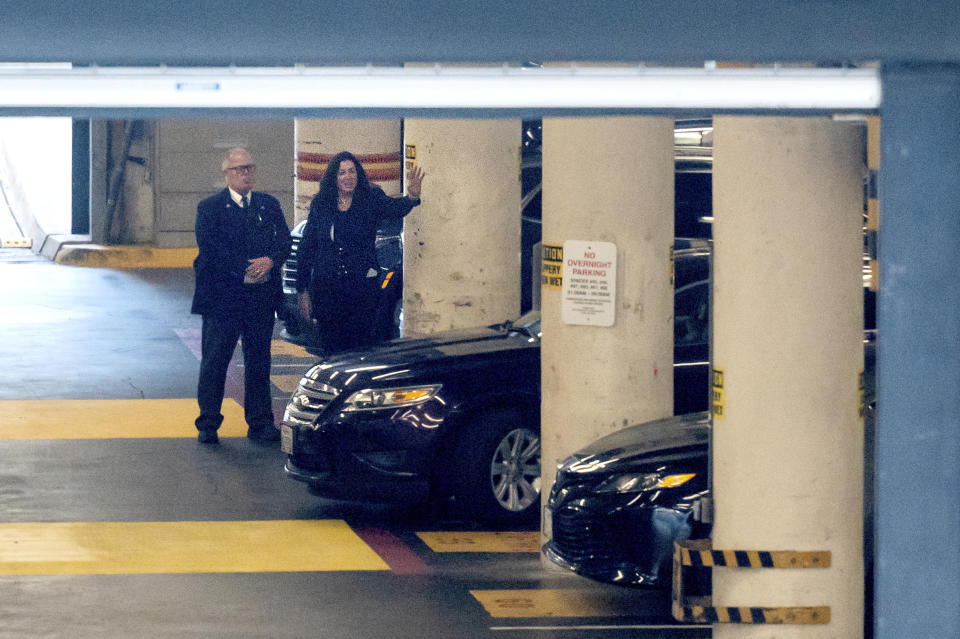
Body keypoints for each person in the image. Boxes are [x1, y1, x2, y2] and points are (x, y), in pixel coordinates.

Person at [191, 148, 291, 444]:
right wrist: (245, 268)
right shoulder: (209, 208)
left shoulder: (267, 205)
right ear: (227, 173)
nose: (245, 173)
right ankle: (208, 423)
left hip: (259, 299)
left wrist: (270, 260)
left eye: (249, 168)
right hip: (223, 299)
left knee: (259, 361)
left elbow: (284, 240)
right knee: (215, 360)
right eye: (239, 169)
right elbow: (210, 249)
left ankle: (260, 423)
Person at [296, 151, 425, 354]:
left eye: (352, 172)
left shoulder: (371, 198)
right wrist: (302, 290)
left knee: (360, 349)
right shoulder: (321, 202)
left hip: (361, 291)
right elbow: (307, 246)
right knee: (331, 351)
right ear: (334, 178)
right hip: (328, 291)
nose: (348, 177)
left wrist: (412, 197)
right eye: (342, 173)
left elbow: (393, 208)